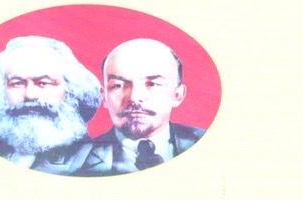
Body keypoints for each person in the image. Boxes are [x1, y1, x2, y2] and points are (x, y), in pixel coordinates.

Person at [74, 37, 206, 176]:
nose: (134, 97)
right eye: (118, 85)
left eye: (152, 84)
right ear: (104, 96)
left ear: (177, 95)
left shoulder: (210, 144)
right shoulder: (76, 162)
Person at [0, 36, 103, 174]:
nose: (30, 95)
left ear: (71, 90)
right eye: (17, 83)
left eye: (43, 83)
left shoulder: (97, 158)